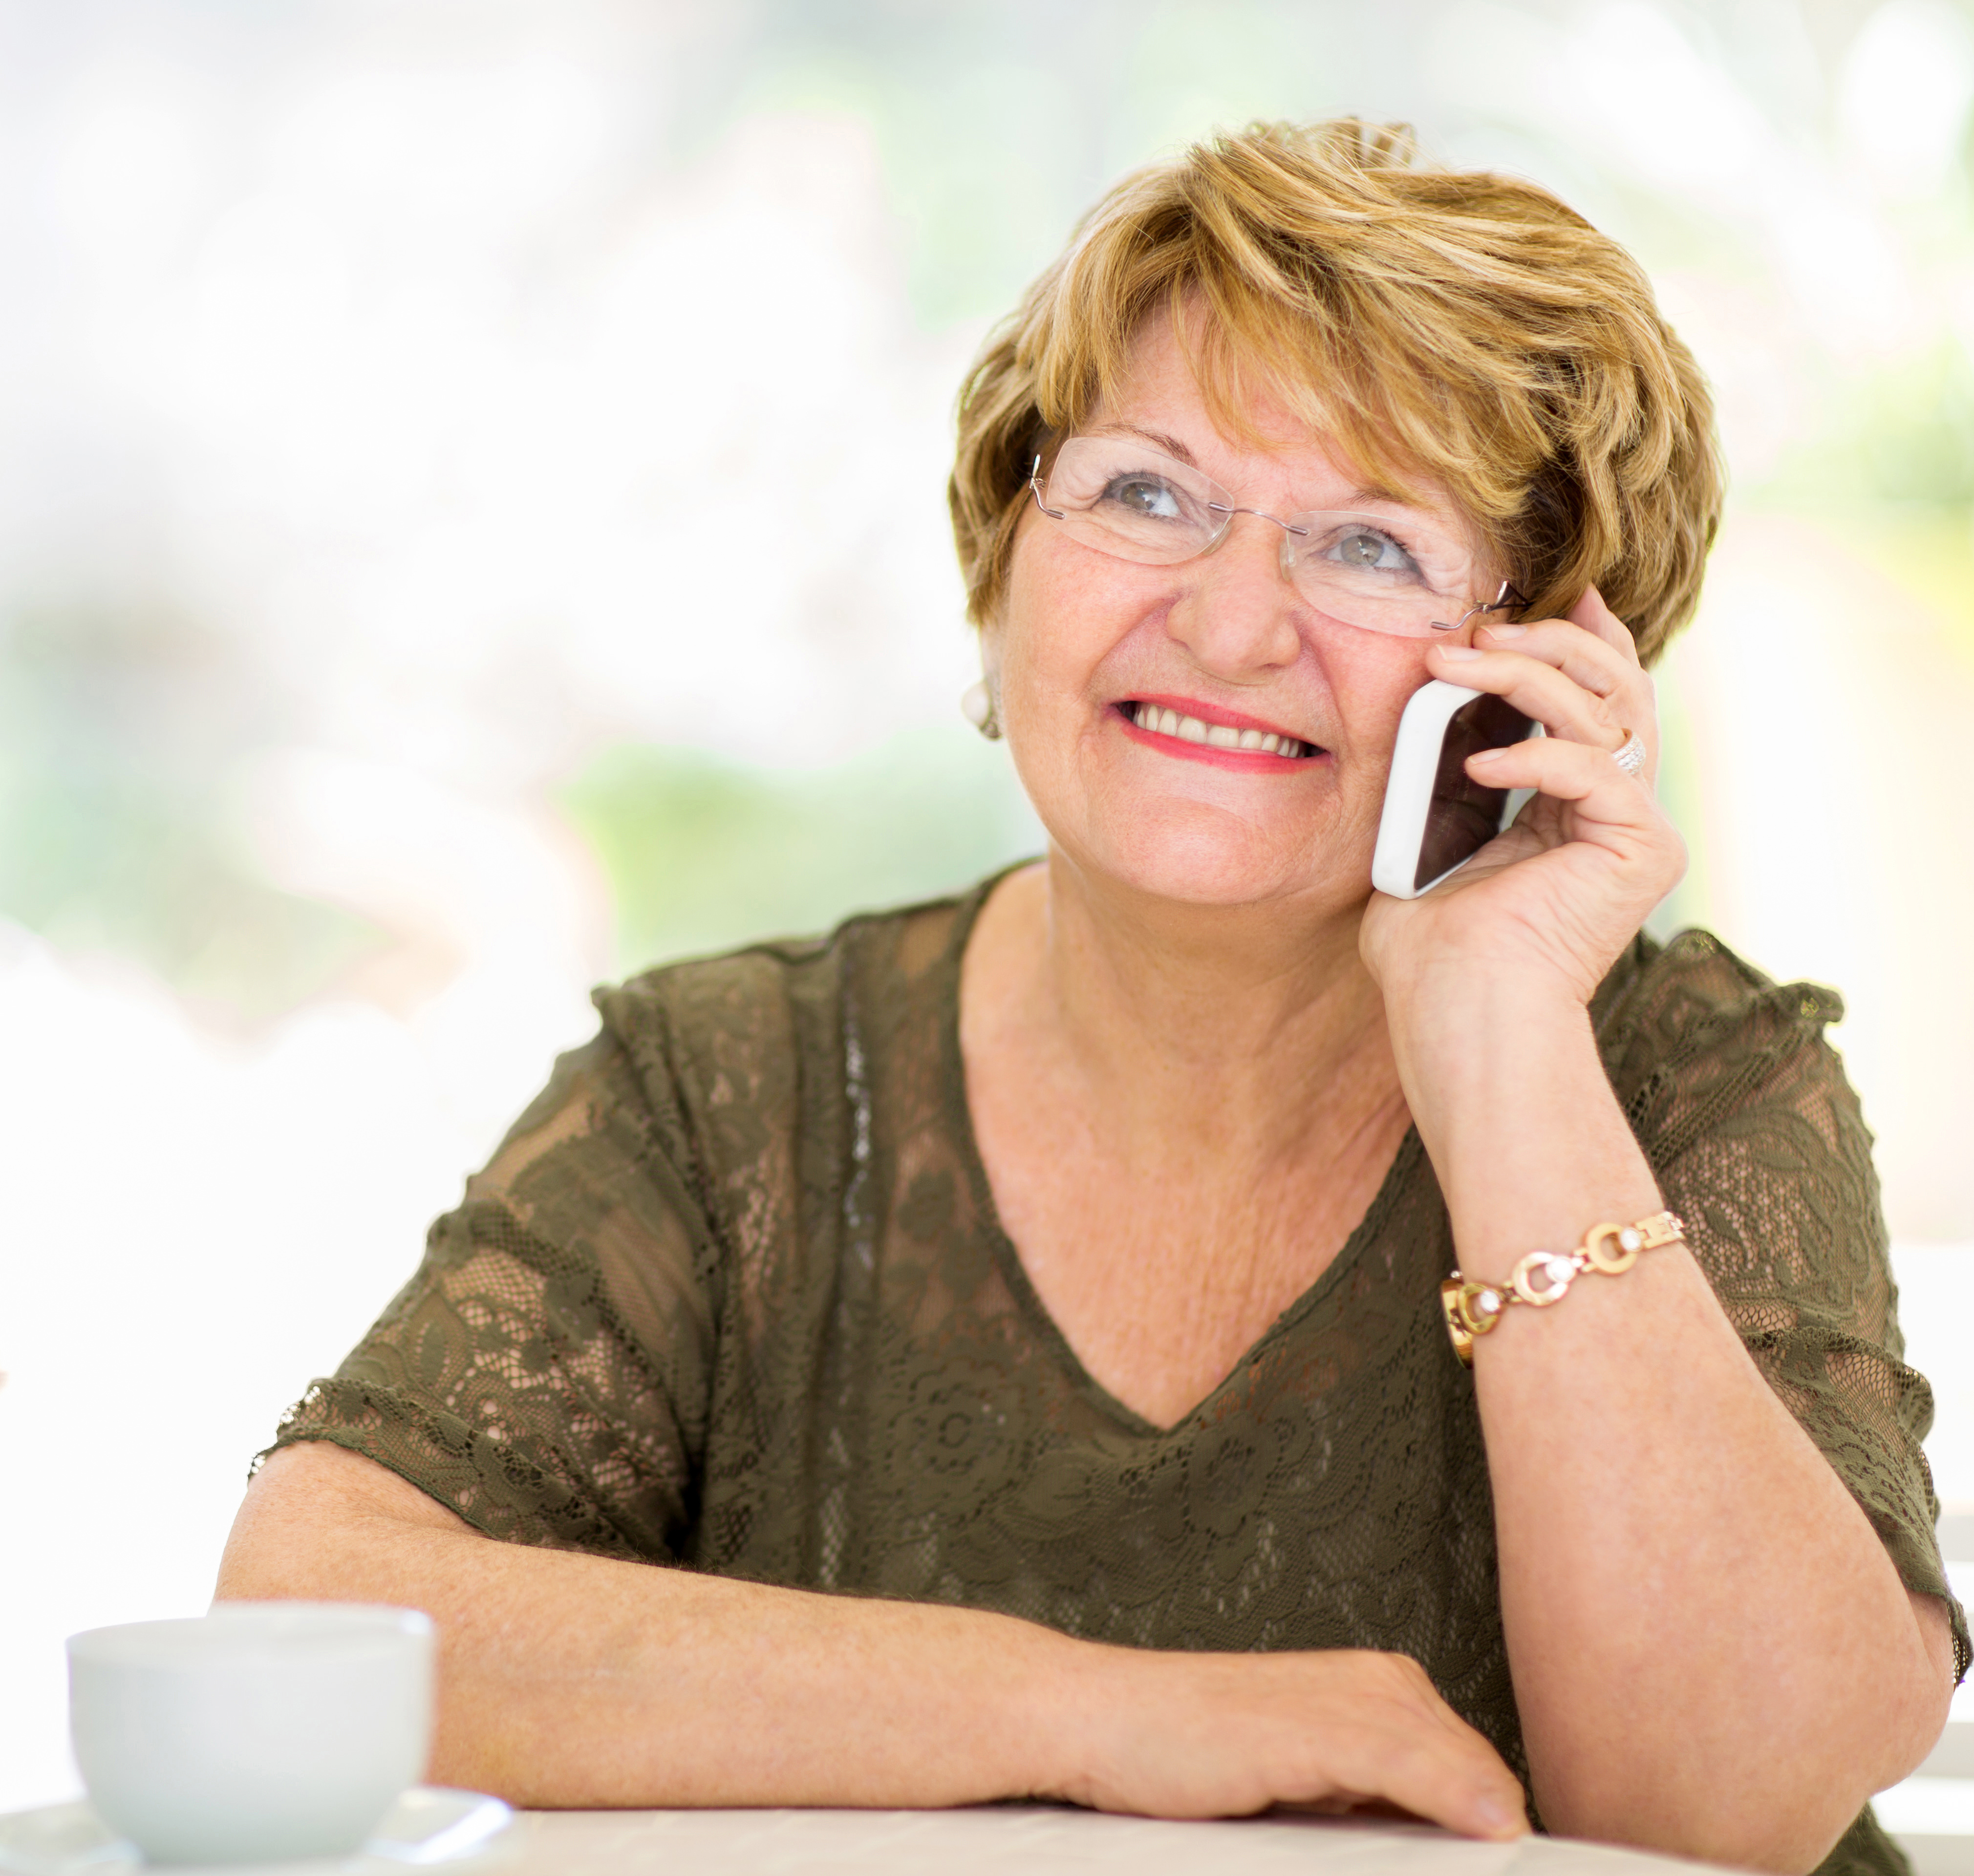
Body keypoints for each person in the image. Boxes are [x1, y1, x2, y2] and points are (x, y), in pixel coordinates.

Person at [215, 119, 1960, 1876]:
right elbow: (312, 1631)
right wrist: (1097, 1717)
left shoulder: (1690, 1077)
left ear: (1534, 682)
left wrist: (1500, 1033)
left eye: (1369, 547)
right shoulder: (726, 1084)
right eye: (1146, 494)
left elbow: (1724, 1810)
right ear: (1005, 560)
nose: (1224, 626)